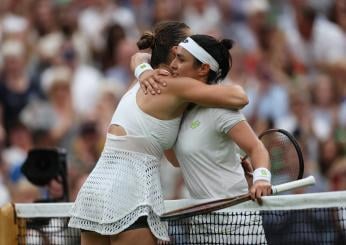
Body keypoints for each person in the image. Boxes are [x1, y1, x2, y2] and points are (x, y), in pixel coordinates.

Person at [68, 21, 249, 245]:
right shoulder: (174, 85)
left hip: (94, 194)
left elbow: (174, 158)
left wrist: (222, 159)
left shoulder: (143, 80)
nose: (193, 45)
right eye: (187, 44)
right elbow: (239, 97)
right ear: (175, 51)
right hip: (130, 195)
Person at [135, 34, 271, 244]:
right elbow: (175, 160)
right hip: (201, 227)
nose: (173, 65)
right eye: (174, 58)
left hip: (237, 225)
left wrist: (261, 179)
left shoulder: (220, 110)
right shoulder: (178, 112)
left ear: (203, 69)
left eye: (181, 59)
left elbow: (256, 148)